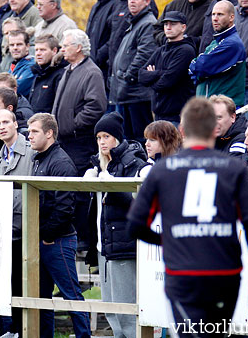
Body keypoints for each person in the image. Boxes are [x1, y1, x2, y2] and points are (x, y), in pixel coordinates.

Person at [127, 97, 248, 335]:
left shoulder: (162, 170)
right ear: (214, 129)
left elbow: (135, 226)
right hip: (225, 274)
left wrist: (168, 240)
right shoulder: (235, 168)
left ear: (182, 130)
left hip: (183, 273)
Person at [27, 113, 91, 338]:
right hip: (44, 238)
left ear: (49, 133)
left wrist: (47, 235)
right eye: (29, 131)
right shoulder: (39, 159)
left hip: (58, 240)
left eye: (34, 131)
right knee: (41, 297)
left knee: (71, 294)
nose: (29, 136)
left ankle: (84, 337)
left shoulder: (61, 162)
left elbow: (65, 206)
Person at [84, 112, 148, 338]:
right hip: (104, 245)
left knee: (126, 309)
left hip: (125, 244)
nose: (102, 142)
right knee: (110, 305)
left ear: (117, 138)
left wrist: (113, 188)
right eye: (99, 137)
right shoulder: (98, 165)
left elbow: (140, 206)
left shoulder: (135, 164)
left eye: (107, 136)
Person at [53, 29, 107, 251]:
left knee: (80, 190)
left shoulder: (91, 72)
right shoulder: (69, 70)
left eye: (66, 45)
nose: (62, 48)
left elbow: (96, 106)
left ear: (78, 48)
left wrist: (73, 124)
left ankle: (84, 238)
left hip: (80, 141)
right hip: (65, 140)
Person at [0, 109, 34, 336]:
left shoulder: (28, 151)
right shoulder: (1, 153)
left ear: (15, 124)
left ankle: (23, 329)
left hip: (26, 225)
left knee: (22, 282)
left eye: (5, 122)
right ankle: (11, 329)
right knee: (8, 281)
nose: (2, 127)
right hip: (6, 228)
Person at [109, 0, 157, 142]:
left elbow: (144, 54)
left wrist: (127, 76)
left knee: (140, 138)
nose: (132, 2)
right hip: (127, 92)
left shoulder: (147, 23)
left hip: (137, 92)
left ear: (147, 1)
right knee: (128, 138)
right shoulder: (135, 22)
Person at [139, 11, 197, 126]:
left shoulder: (186, 50)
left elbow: (165, 83)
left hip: (177, 117)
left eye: (173, 24)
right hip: (158, 115)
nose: (168, 27)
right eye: (166, 24)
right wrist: (160, 74)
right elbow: (141, 75)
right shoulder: (161, 50)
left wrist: (153, 77)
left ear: (183, 27)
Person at [189, 0, 247, 106]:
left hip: (224, 110)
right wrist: (198, 70)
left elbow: (201, 67)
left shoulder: (232, 44)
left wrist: (198, 70)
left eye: (220, 14)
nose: (215, 18)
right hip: (208, 107)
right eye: (213, 14)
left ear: (231, 17)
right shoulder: (216, 42)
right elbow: (195, 69)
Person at [86, 0, 123, 83]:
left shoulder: (118, 3)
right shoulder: (96, 6)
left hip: (105, 67)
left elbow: (115, 37)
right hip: (92, 65)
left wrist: (98, 57)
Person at [29, 34, 67, 114]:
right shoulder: (38, 72)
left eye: (42, 50)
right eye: (36, 50)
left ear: (54, 51)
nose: (38, 53)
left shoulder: (61, 74)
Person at [7, 29, 35, 98]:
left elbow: (15, 90)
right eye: (12, 45)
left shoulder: (32, 66)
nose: (15, 48)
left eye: (19, 44)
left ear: (27, 46)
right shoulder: (14, 65)